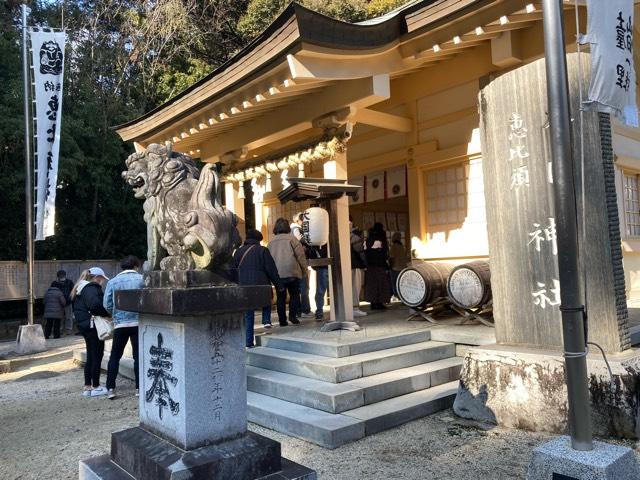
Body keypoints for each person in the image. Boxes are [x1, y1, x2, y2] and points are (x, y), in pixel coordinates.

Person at [103, 256, 144, 399]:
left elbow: (107, 304)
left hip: (120, 323)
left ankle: (110, 389)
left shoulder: (113, 282)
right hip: (138, 322)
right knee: (138, 357)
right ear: (136, 266)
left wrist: (115, 313)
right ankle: (139, 388)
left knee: (115, 356)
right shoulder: (142, 279)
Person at [234, 229, 283, 347]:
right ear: (258, 240)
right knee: (267, 299)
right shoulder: (263, 251)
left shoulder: (238, 252)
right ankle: (266, 320)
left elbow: (233, 270)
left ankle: (248, 342)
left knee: (248, 314)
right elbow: (271, 270)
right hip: (261, 285)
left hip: (243, 286)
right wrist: (279, 285)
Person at [71, 267, 111, 397]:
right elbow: (95, 306)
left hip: (84, 324)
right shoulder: (92, 288)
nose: (102, 282)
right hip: (93, 325)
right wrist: (107, 314)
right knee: (97, 355)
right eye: (102, 279)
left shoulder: (79, 288)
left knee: (91, 355)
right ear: (97, 277)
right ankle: (96, 386)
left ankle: (88, 386)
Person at [268, 218, 308, 326]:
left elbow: (269, 259)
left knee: (281, 297)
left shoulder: (271, 242)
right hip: (292, 271)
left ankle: (282, 320)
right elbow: (300, 256)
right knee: (294, 294)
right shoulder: (293, 239)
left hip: (278, 274)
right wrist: (304, 271)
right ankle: (293, 316)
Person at [290, 212, 314, 319]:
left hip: (293, 264)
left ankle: (299, 311)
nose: (304, 222)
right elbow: (301, 242)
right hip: (299, 263)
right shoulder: (296, 229)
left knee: (297, 290)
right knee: (304, 288)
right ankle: (305, 310)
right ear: (298, 220)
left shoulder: (291, 230)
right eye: (303, 219)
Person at [365, 222, 391, 310]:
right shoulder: (380, 239)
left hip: (370, 266)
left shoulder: (369, 239)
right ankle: (379, 302)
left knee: (372, 285)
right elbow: (384, 254)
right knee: (381, 284)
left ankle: (373, 303)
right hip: (379, 265)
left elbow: (366, 252)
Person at [350, 217, 367, 317]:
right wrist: (365, 264)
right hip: (356, 264)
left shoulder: (342, 234)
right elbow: (360, 252)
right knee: (355, 287)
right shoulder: (354, 236)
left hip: (346, 265)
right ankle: (355, 308)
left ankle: (351, 307)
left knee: (350, 287)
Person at [309, 244, 329, 321]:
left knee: (320, 291)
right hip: (326, 267)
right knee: (321, 291)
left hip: (322, 268)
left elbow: (312, 257)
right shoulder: (321, 243)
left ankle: (319, 312)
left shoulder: (315, 243)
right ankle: (319, 312)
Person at [389, 232, 408, 298]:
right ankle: (402, 296)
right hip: (403, 268)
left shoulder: (394, 246)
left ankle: (397, 296)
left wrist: (390, 266)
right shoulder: (402, 246)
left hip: (395, 268)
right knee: (401, 284)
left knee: (395, 283)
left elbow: (392, 258)